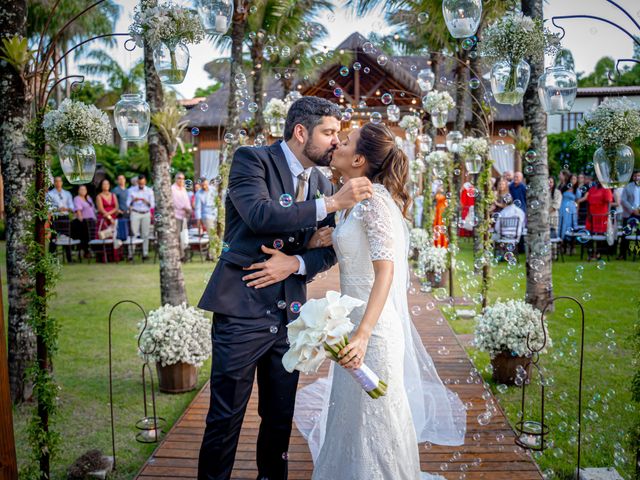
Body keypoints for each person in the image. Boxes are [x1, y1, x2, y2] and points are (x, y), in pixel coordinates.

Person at [196, 96, 372, 480]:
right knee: (225, 417)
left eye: (338, 135)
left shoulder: (323, 181)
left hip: (290, 316)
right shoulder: (252, 160)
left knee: (279, 418)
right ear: (300, 131)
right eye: (328, 133)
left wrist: (296, 262)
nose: (335, 142)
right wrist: (329, 204)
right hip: (240, 308)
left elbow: (330, 249)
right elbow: (259, 214)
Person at [296, 122, 466, 479]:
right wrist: (322, 240)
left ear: (358, 159)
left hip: (372, 330)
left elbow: (385, 272)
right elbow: (354, 249)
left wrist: (362, 334)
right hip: (351, 322)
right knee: (351, 416)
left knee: (378, 419)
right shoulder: (353, 203)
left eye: (345, 142)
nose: (337, 145)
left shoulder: (373, 202)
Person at [46, 176, 75, 262]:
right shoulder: (50, 194)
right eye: (56, 181)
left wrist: (67, 208)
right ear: (54, 183)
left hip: (65, 217)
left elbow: (72, 206)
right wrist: (57, 209)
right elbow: (48, 207)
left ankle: (69, 258)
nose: (58, 183)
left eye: (59, 181)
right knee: (54, 237)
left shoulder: (67, 193)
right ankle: (52, 258)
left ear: (62, 183)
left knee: (67, 236)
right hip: (55, 217)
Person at [127, 174, 154, 260]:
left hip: (146, 213)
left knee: (145, 234)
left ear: (145, 182)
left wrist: (146, 201)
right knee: (133, 233)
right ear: (137, 182)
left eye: (143, 183)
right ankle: (131, 254)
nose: (141, 185)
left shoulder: (149, 191)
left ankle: (145, 253)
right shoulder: (131, 190)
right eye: (140, 183)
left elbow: (152, 205)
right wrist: (133, 201)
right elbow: (127, 204)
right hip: (135, 212)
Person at [618, 170, 640, 260]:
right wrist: (632, 210)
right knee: (626, 234)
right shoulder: (628, 186)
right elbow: (623, 200)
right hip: (629, 214)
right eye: (636, 176)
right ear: (633, 177)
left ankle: (637, 252)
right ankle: (622, 254)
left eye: (639, 175)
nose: (637, 177)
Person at [172, 172, 193, 258]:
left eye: (182, 178)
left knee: (183, 236)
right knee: (177, 236)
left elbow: (187, 201)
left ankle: (182, 254)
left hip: (184, 216)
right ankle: (179, 256)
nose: (181, 180)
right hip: (176, 216)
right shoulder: (172, 189)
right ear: (175, 179)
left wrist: (189, 209)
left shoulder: (183, 189)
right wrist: (186, 208)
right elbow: (175, 202)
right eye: (179, 178)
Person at [72, 185, 96, 258]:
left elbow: (92, 210)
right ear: (78, 191)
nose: (83, 191)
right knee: (85, 235)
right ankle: (85, 251)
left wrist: (95, 218)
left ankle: (91, 251)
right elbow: (78, 211)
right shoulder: (77, 198)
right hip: (83, 221)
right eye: (81, 189)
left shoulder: (88, 198)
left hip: (91, 220)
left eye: (84, 189)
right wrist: (81, 220)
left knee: (93, 235)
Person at [558, 170, 580, 241]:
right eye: (572, 179)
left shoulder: (576, 190)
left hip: (571, 210)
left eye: (575, 179)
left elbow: (577, 202)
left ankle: (568, 241)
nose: (573, 180)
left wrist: (576, 212)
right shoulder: (564, 188)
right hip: (562, 208)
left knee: (569, 224)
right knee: (561, 223)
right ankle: (561, 240)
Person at [433, 182, 448, 248]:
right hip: (438, 212)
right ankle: (438, 243)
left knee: (441, 227)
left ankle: (442, 243)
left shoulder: (444, 197)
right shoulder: (438, 194)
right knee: (438, 227)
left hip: (442, 212)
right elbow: (436, 197)